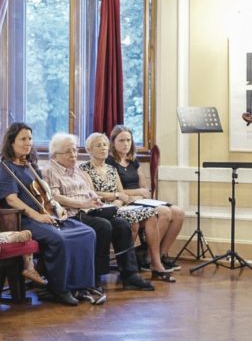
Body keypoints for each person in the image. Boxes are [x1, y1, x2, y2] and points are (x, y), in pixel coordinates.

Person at [0, 122, 96, 306]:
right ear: (11, 142)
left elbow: (45, 195)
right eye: (23, 139)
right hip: (24, 220)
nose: (28, 143)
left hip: (45, 214)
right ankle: (57, 289)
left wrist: (56, 207)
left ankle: (79, 286)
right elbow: (12, 200)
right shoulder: (5, 168)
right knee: (59, 239)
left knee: (87, 232)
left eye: (30, 138)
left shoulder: (30, 166)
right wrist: (38, 216)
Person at [43, 133, 153, 296]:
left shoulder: (76, 170)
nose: (73, 155)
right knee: (103, 226)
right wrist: (83, 204)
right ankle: (95, 277)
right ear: (55, 155)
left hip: (90, 210)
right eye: (68, 151)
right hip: (72, 214)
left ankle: (130, 275)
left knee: (121, 224)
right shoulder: (50, 170)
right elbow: (55, 198)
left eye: (75, 150)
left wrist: (97, 201)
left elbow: (90, 192)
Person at [80, 132, 172, 282]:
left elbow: (122, 193)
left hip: (118, 206)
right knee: (132, 222)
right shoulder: (84, 169)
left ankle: (155, 263)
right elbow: (93, 193)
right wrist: (116, 196)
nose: (103, 148)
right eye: (98, 145)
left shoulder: (111, 169)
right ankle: (129, 265)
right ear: (89, 149)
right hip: (100, 208)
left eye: (105, 145)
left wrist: (120, 200)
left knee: (151, 215)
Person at [108, 125, 184, 272]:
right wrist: (138, 193)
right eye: (121, 140)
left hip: (140, 199)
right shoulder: (110, 162)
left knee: (179, 212)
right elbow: (118, 191)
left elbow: (145, 188)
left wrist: (141, 193)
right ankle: (150, 259)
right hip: (125, 201)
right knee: (165, 212)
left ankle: (161, 255)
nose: (126, 144)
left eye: (128, 140)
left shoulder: (133, 160)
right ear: (113, 142)